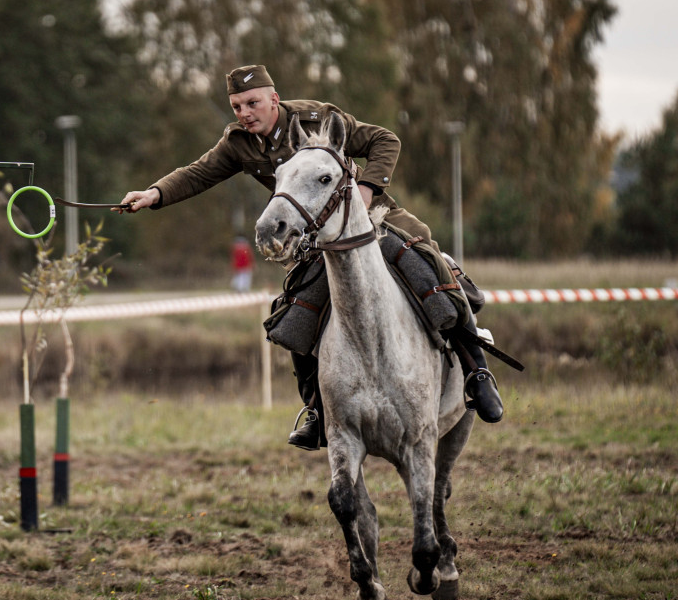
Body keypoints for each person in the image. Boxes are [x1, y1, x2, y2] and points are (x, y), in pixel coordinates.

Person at [118, 65, 503, 450]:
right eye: (236, 106)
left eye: (251, 103)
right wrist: (154, 194)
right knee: (295, 312)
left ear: (273, 99)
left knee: (429, 264)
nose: (244, 113)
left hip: (373, 217)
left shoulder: (318, 119)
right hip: (316, 238)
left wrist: (368, 190)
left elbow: (385, 140)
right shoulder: (238, 142)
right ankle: (317, 411)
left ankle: (477, 374)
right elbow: (198, 173)